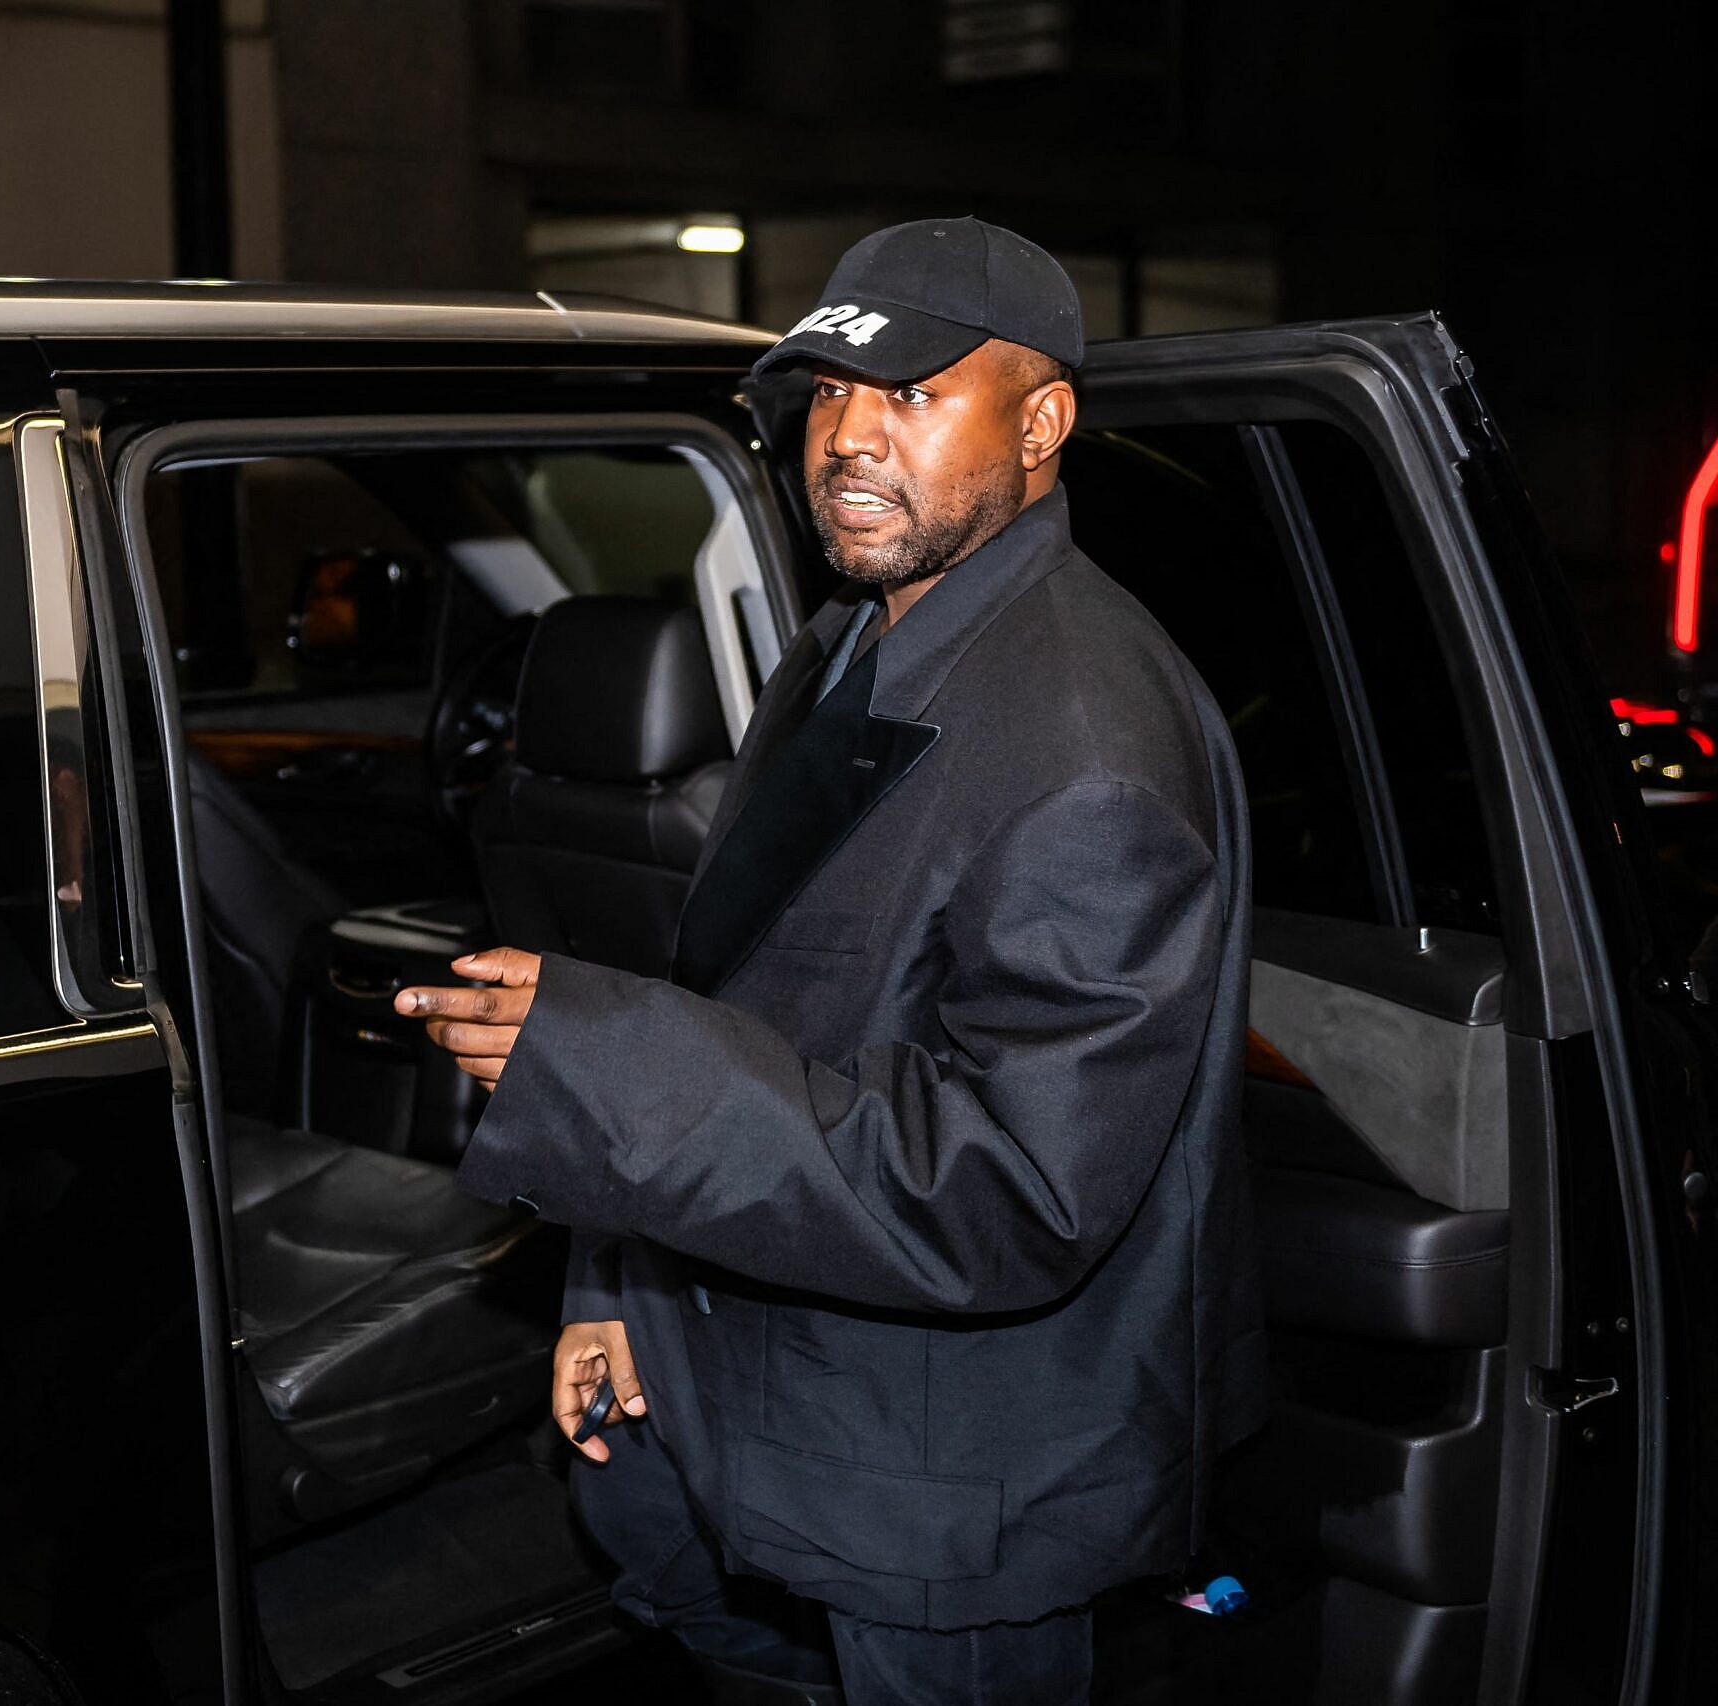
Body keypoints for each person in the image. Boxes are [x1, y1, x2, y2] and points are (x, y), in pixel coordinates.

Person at [395, 218, 1267, 1706]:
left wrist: (609, 1070)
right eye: (831, 392)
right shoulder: (848, 641)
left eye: (914, 392)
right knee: (658, 1570)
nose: (850, 435)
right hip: (765, 1363)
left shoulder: (1088, 747)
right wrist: (618, 1279)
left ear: (1042, 425)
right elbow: (752, 993)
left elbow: (1014, 1188)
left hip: (954, 1474)